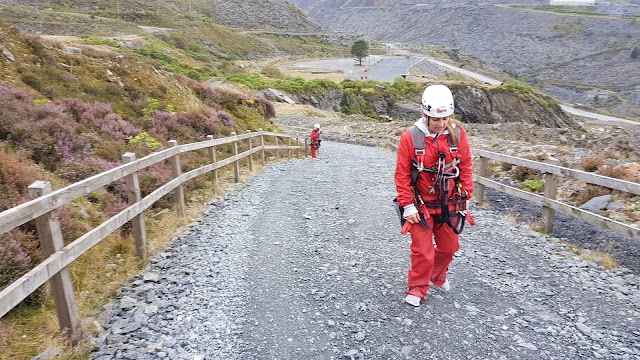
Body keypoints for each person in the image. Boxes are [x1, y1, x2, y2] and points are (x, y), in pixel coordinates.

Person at [394, 84, 474, 307]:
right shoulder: (410, 138)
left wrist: (466, 195)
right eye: (435, 119)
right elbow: (401, 175)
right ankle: (418, 288)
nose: (441, 124)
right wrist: (407, 206)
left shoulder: (457, 134)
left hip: (449, 203)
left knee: (450, 247)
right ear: (424, 114)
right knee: (423, 251)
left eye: (445, 118)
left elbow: (465, 165)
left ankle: (437, 276)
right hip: (420, 206)